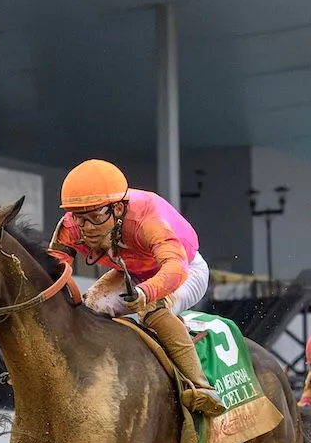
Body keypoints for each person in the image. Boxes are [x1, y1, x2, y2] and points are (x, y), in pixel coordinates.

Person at [48, 159, 226, 416]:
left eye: (96, 216)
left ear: (118, 208)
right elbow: (54, 267)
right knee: (89, 308)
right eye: (79, 217)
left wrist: (145, 293)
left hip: (185, 270)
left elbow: (174, 268)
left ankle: (202, 388)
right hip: (131, 272)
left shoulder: (148, 220)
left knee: (153, 309)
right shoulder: (71, 225)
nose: (85, 227)